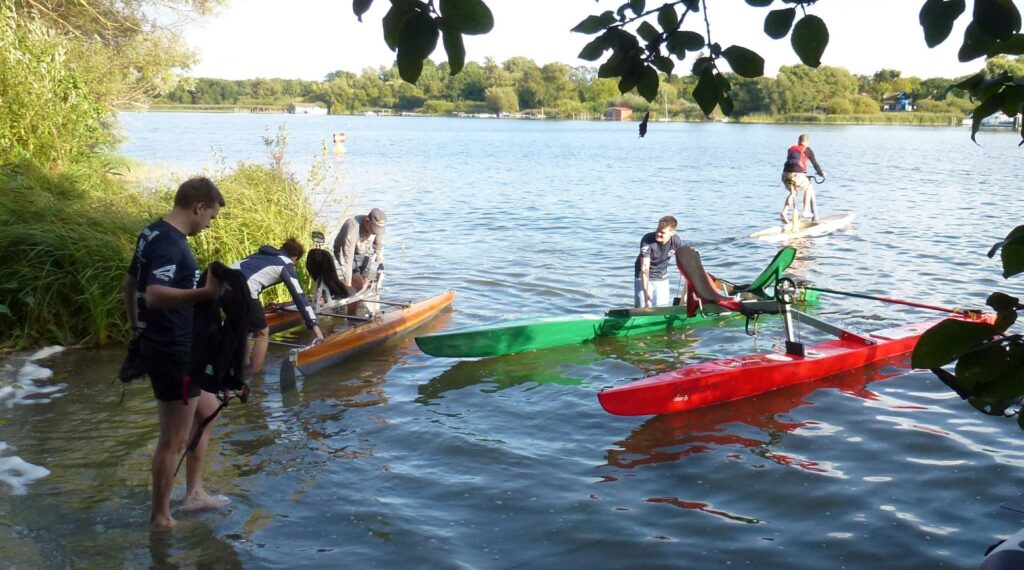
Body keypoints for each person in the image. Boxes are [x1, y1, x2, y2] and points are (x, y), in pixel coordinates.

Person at [121, 176, 228, 532]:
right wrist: (206, 294)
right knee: (174, 439)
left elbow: (130, 281)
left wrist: (136, 326)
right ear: (199, 207)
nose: (209, 223)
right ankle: (160, 518)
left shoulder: (151, 232)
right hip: (172, 350)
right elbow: (153, 293)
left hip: (167, 343)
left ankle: (194, 493)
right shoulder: (170, 244)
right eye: (210, 216)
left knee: (209, 411)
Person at [232, 238, 325, 373]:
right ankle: (256, 375)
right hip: (243, 290)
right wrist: (314, 325)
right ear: (295, 257)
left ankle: (244, 363)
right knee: (263, 332)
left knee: (247, 327)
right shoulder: (286, 263)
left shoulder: (260, 255)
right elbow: (299, 296)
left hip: (222, 286)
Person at [332, 208, 386, 312]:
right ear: (367, 221)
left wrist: (380, 265)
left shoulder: (377, 228)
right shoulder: (352, 228)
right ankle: (351, 317)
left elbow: (378, 248)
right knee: (358, 283)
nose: (374, 233)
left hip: (361, 254)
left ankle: (369, 309)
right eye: (373, 229)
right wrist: (348, 285)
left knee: (370, 281)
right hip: (344, 252)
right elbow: (347, 259)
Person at [634, 216, 686, 308]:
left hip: (661, 276)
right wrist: (646, 293)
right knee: (643, 307)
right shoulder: (647, 239)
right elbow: (645, 267)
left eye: (662, 232)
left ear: (672, 233)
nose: (658, 234)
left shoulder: (676, 241)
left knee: (661, 307)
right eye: (658, 230)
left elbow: (685, 262)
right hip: (643, 275)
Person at [780, 134, 825, 224]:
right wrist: (821, 174)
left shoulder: (791, 149)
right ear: (807, 142)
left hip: (785, 175)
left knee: (793, 193)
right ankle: (805, 211)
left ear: (798, 141)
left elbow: (793, 162)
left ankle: (784, 212)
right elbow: (815, 164)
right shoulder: (807, 150)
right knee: (809, 187)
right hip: (796, 175)